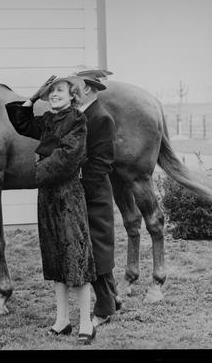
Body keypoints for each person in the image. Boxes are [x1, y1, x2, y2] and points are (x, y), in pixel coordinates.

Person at [5, 76, 97, 345]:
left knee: (76, 258)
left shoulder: (77, 121)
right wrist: (33, 98)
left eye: (60, 91)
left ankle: (85, 323)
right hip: (47, 196)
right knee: (55, 257)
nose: (54, 94)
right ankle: (62, 320)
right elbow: (21, 122)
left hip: (68, 195)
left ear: (72, 96)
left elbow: (69, 156)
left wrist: (37, 171)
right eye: (52, 91)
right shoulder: (47, 120)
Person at [74, 68, 122, 328]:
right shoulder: (84, 113)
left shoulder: (100, 117)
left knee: (96, 251)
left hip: (94, 194)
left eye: (76, 86)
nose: (72, 91)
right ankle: (113, 297)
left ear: (89, 89)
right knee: (97, 248)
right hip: (89, 191)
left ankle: (103, 308)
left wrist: (81, 189)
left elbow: (102, 162)